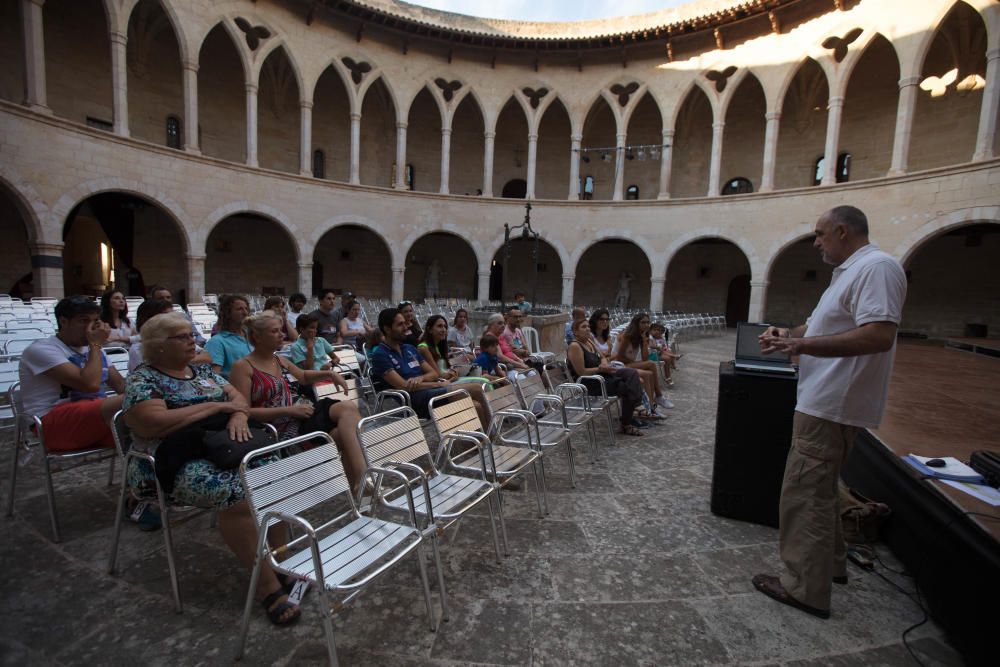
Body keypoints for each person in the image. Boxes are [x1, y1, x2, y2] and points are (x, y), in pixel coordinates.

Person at [752, 205, 907, 620]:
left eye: (820, 234)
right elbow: (815, 329)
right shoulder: (851, 273)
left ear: (842, 231)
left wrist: (802, 348)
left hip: (832, 402)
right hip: (826, 399)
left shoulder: (877, 268)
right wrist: (788, 335)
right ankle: (832, 565)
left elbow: (879, 335)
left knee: (804, 493)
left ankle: (804, 586)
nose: (816, 242)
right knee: (821, 487)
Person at [122, 312, 300, 626]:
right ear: (159, 346)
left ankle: (280, 560)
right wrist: (218, 407)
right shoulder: (144, 379)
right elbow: (153, 423)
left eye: (192, 334)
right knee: (239, 493)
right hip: (171, 461)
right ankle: (267, 586)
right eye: (183, 336)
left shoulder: (202, 372)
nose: (194, 340)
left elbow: (239, 401)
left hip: (221, 447)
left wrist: (237, 416)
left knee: (278, 477)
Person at [230, 311, 366, 494]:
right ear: (257, 336)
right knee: (343, 435)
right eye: (275, 331)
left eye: (281, 330)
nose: (282, 335)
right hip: (280, 428)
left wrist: (330, 373)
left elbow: (302, 376)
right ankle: (363, 486)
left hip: (301, 414)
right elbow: (244, 410)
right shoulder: (243, 367)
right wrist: (289, 411)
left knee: (348, 410)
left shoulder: (278, 359)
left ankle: (363, 482)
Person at [18, 296, 126, 452]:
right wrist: (95, 344)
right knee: (138, 400)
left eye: (95, 321)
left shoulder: (95, 349)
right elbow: (89, 384)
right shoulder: (41, 349)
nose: (90, 328)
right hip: (52, 424)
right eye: (83, 321)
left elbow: (120, 385)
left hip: (95, 417)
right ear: (63, 321)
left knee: (151, 430)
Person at [566, 318, 644, 437]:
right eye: (583, 327)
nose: (587, 329)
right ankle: (627, 423)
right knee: (628, 387)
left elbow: (602, 356)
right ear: (575, 332)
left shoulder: (589, 341)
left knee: (631, 373)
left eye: (588, 326)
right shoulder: (575, 346)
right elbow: (581, 372)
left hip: (602, 375)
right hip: (591, 383)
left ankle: (636, 405)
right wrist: (601, 369)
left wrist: (603, 363)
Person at [370, 308, 449, 418]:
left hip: (430, 392)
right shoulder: (380, 355)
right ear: (387, 329)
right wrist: (437, 384)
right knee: (472, 390)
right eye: (400, 324)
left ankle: (475, 434)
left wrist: (421, 378)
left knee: (475, 403)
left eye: (405, 324)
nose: (406, 327)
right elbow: (403, 386)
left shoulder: (409, 348)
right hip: (412, 400)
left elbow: (434, 374)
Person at [416, 315, 492, 425]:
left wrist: (452, 371)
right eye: (439, 326)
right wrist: (450, 375)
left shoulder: (439, 346)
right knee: (482, 382)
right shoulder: (424, 347)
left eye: (445, 327)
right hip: (442, 382)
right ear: (429, 329)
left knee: (484, 381)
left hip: (449, 378)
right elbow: (437, 374)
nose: (443, 330)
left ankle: (490, 419)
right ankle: (491, 421)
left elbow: (444, 368)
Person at [612, 313, 674, 412]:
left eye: (648, 322)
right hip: (618, 364)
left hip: (628, 363)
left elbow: (645, 358)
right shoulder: (626, 336)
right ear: (636, 323)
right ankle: (657, 397)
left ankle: (651, 405)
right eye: (643, 322)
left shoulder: (641, 336)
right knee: (651, 365)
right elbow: (619, 357)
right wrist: (634, 362)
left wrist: (645, 342)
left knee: (650, 369)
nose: (646, 325)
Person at [129, 299, 212, 372]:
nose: (192, 340)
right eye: (167, 316)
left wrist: (179, 360)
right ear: (149, 320)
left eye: (191, 335)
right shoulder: (138, 349)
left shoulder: (181, 339)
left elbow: (207, 356)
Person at [204, 294, 252, 378]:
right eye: (239, 309)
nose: (245, 313)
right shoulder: (217, 342)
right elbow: (213, 376)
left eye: (246, 309)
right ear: (228, 313)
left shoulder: (253, 337)